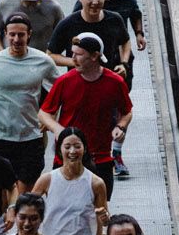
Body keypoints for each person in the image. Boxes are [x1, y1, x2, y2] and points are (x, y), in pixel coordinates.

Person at [0, 13, 60, 196]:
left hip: (30, 136)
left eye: (21, 35)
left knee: (24, 193)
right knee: (1, 191)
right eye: (12, 34)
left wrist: (51, 116)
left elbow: (59, 90)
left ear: (29, 35)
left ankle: (21, 223)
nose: (16, 39)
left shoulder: (43, 60)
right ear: (5, 34)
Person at [38, 35, 134, 187]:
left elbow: (127, 111)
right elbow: (44, 113)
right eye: (72, 53)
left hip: (100, 158)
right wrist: (58, 129)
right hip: (66, 158)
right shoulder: (65, 81)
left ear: (95, 56)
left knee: (99, 207)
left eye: (79, 55)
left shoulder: (115, 82)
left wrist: (120, 126)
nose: (73, 59)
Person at [33, 128, 108, 235]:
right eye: (67, 147)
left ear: (84, 149)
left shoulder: (96, 183)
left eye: (77, 146)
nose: (72, 151)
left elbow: (102, 222)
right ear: (60, 150)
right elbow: (28, 209)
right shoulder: (47, 180)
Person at [51, 0, 134, 76]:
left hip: (106, 82)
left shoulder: (115, 19)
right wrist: (76, 61)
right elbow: (51, 55)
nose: (95, 2)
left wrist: (124, 63)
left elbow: (125, 41)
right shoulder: (68, 24)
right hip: (78, 82)